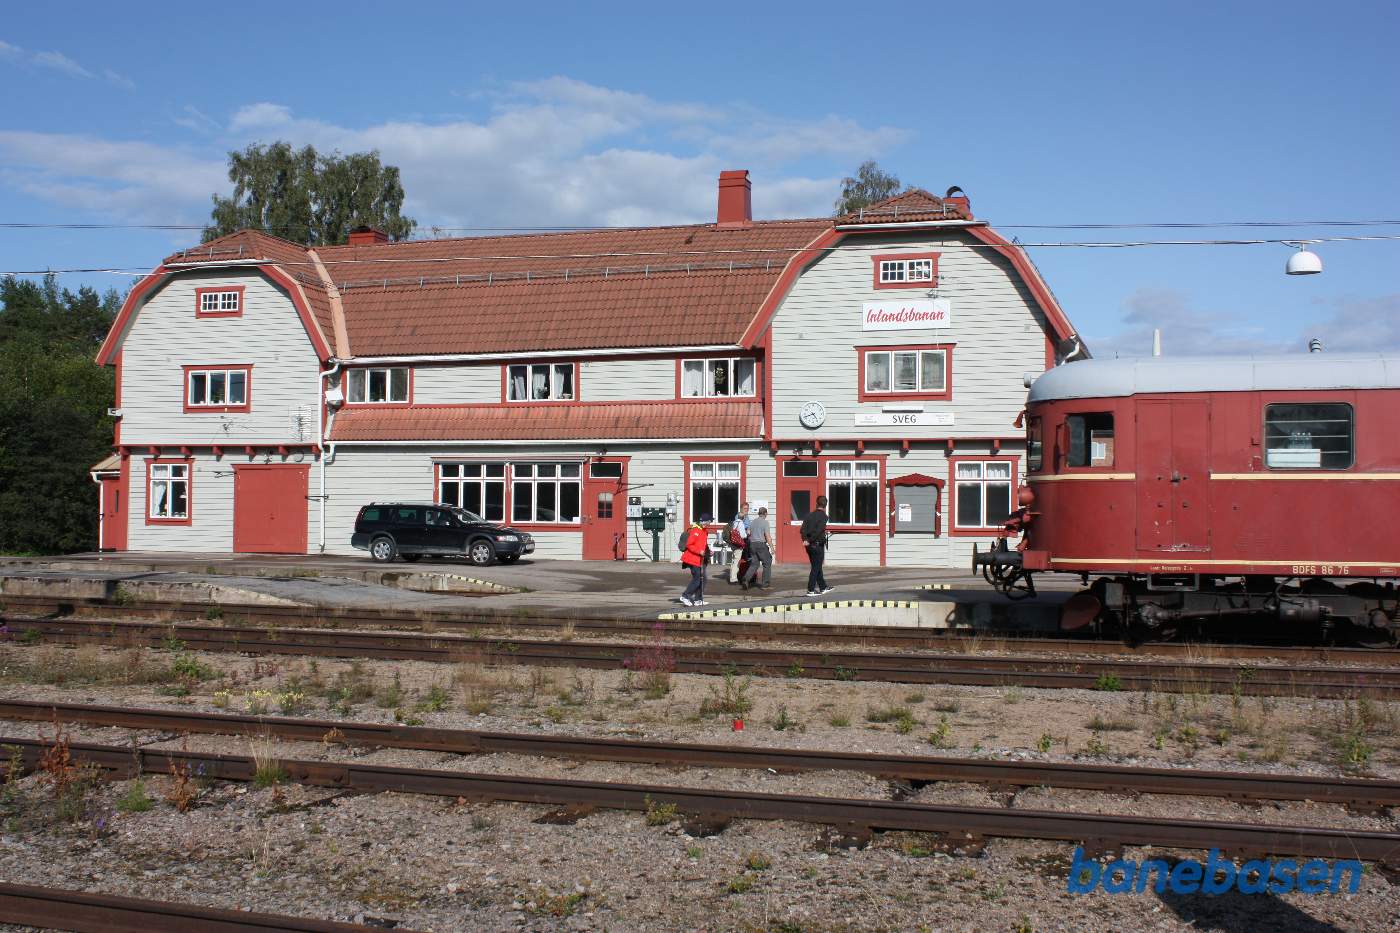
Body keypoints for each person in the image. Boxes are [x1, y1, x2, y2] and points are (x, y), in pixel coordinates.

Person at [800, 496, 833, 597]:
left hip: (809, 545)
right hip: (817, 544)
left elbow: (802, 530)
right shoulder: (824, 516)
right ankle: (810, 590)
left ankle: (823, 587)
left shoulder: (809, 515)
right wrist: (809, 540)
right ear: (825, 505)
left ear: (816, 503)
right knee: (816, 567)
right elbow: (818, 531)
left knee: (817, 566)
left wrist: (805, 539)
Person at [678, 513, 712, 606]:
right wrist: (699, 551)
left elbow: (703, 545)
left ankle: (698, 599)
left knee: (703, 579)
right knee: (697, 578)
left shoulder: (704, 531)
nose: (710, 523)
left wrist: (709, 552)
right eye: (710, 521)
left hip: (699, 559)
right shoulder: (695, 530)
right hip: (692, 558)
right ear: (705, 521)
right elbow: (689, 544)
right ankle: (685, 596)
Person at [742, 506, 773, 590]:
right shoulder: (765, 522)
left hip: (752, 544)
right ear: (765, 513)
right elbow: (767, 536)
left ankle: (746, 578)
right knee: (767, 562)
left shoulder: (752, 522)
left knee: (754, 564)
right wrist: (772, 548)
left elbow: (748, 532)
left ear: (759, 513)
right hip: (761, 544)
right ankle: (765, 585)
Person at [726, 502, 750, 584]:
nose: (746, 510)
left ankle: (736, 576)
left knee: (736, 560)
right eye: (745, 508)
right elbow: (742, 533)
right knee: (737, 560)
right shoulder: (739, 518)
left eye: (747, 508)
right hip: (739, 542)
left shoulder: (743, 517)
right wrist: (747, 533)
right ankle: (734, 578)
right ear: (741, 509)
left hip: (735, 542)